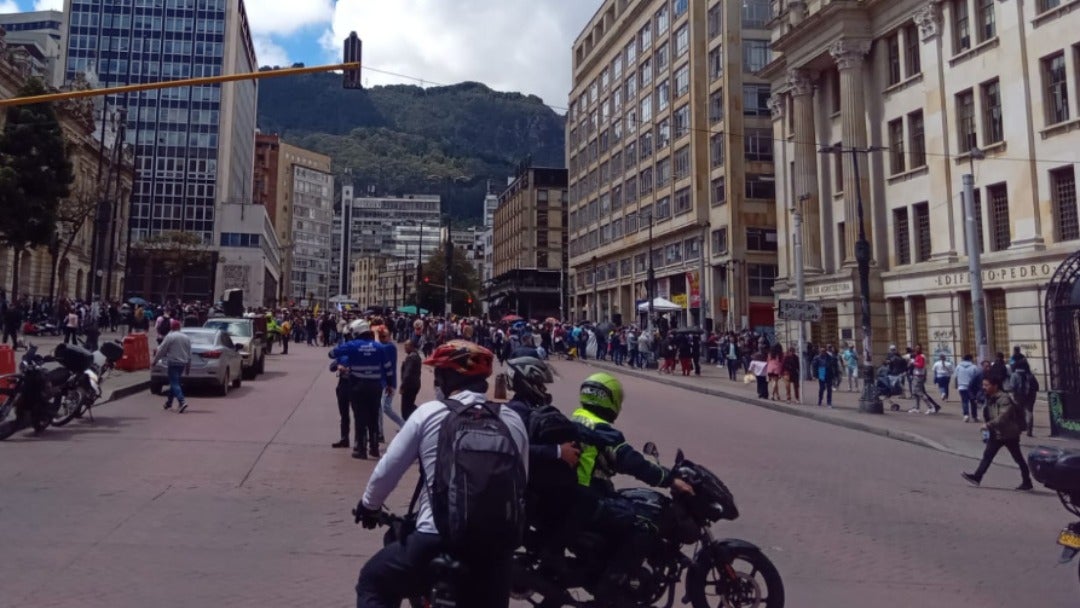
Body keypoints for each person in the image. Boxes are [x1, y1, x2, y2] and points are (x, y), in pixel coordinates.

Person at [353, 340, 527, 608]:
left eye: (438, 374)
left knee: (373, 582)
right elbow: (522, 480)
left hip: (434, 538)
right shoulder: (512, 420)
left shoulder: (430, 413)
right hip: (495, 547)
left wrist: (369, 505)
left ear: (448, 378)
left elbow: (388, 470)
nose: (435, 381)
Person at [570, 372, 694, 602]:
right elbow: (632, 462)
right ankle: (612, 588)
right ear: (610, 399)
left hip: (578, 494)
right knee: (645, 526)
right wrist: (669, 479)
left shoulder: (578, 417)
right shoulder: (602, 429)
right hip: (587, 496)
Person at [329, 320, 391, 460]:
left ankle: (361, 449)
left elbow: (332, 354)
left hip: (358, 386)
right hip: (375, 386)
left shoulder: (352, 345)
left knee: (360, 418)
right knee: (373, 417)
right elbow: (387, 367)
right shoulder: (378, 347)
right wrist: (389, 384)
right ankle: (374, 448)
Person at [962, 375, 1033, 491]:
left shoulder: (1004, 399)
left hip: (1009, 434)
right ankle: (977, 477)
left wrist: (988, 425)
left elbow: (1003, 417)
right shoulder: (990, 397)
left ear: (995, 386)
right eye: (983, 385)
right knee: (987, 456)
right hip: (996, 433)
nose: (984, 387)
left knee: (1018, 458)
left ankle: (1027, 481)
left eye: (987, 385)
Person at [152, 319, 191, 413]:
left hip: (173, 362)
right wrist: (188, 367)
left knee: (174, 383)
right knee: (175, 383)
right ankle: (169, 402)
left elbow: (161, 349)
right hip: (182, 363)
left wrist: (155, 361)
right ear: (179, 327)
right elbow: (189, 353)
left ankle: (182, 401)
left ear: (171, 327)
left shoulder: (170, 336)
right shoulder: (186, 337)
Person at [908, 345, 941, 414]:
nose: (916, 350)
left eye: (918, 349)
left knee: (920, 392)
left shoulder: (921, 356)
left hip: (919, 376)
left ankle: (931, 407)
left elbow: (921, 365)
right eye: (915, 348)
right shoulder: (917, 356)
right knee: (915, 392)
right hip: (916, 376)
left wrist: (913, 362)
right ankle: (917, 407)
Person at [399, 339, 422, 420]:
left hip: (409, 386)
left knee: (405, 410)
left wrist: (402, 386)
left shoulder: (411, 357)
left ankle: (420, 417)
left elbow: (407, 374)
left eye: (406, 346)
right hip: (415, 385)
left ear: (411, 347)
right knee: (410, 405)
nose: (404, 347)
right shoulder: (416, 355)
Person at [954, 354, 980, 423]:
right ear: (970, 359)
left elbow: (955, 376)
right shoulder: (974, 367)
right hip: (971, 388)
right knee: (973, 402)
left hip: (962, 387)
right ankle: (974, 416)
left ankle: (966, 415)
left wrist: (956, 385)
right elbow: (977, 377)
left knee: (964, 401)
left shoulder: (958, 366)